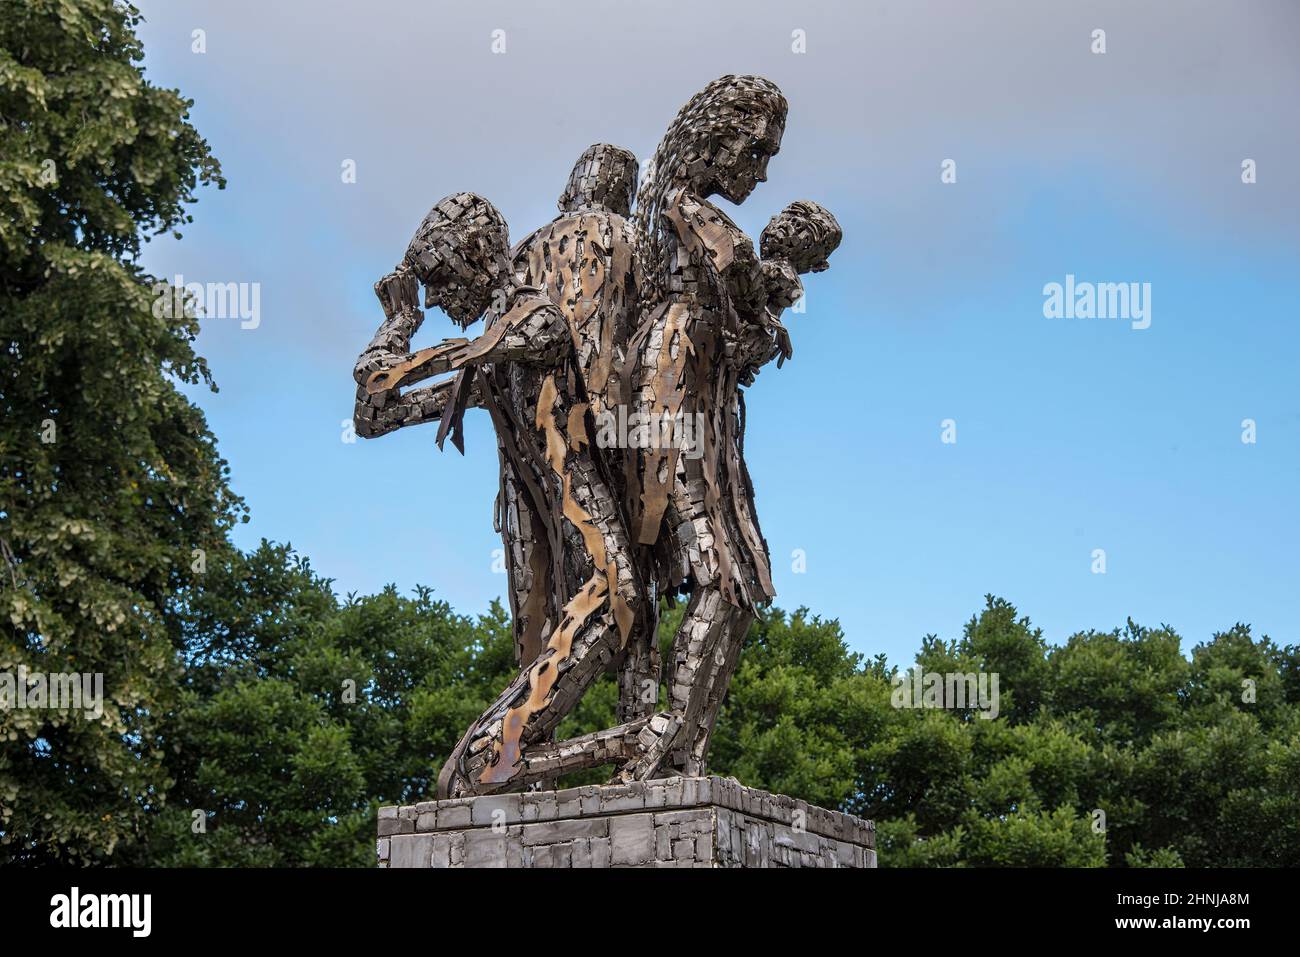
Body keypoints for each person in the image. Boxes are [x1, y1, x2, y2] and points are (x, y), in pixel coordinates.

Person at [351, 192, 647, 796]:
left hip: (590, 534)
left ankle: (604, 748)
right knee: (609, 609)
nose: (435, 299)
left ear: (477, 254)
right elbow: (373, 417)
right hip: (553, 551)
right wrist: (398, 324)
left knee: (622, 605)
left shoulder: (535, 322)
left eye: (438, 279)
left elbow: (381, 376)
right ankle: (526, 754)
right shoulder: (490, 363)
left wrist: (401, 339)